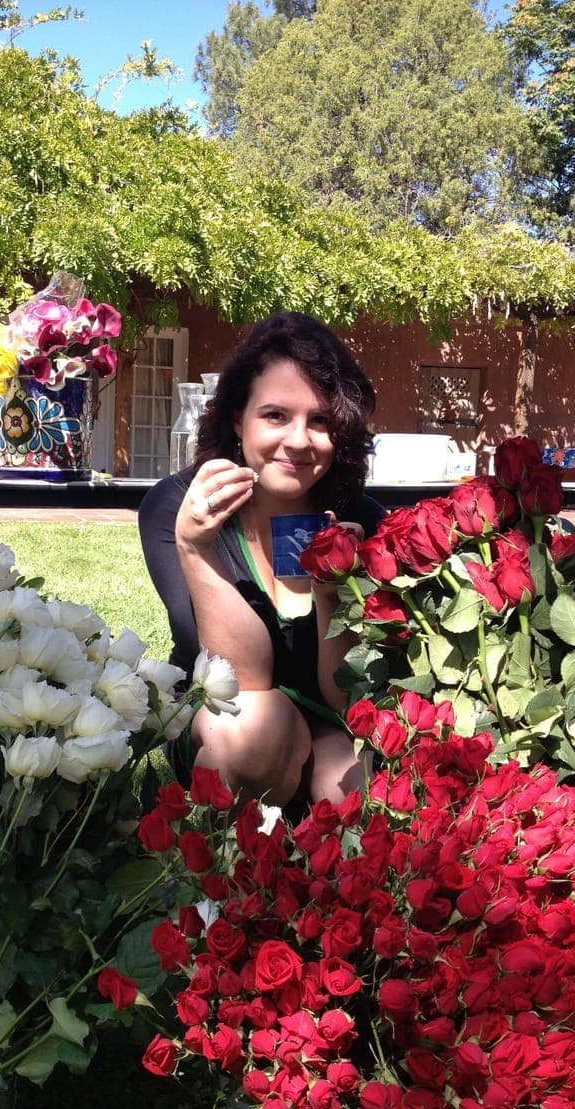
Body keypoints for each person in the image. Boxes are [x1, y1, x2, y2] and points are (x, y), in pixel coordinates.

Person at [138, 311, 386, 807]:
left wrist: (334, 590)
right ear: (238, 418)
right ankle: (235, 865)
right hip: (228, 721)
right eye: (275, 415)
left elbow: (347, 698)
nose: (298, 440)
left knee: (351, 783)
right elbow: (240, 680)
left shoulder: (362, 520)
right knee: (255, 728)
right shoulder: (180, 506)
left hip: (328, 720)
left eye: (321, 421)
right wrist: (195, 548)